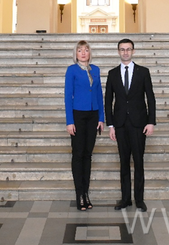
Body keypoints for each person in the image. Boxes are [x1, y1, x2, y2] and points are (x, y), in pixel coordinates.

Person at [105, 38, 156, 212]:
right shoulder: (112, 73)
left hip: (139, 124)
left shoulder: (143, 72)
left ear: (133, 51)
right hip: (120, 124)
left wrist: (151, 122)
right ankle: (125, 199)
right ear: (118, 51)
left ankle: (139, 199)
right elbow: (108, 101)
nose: (125, 52)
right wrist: (111, 125)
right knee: (124, 162)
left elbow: (150, 98)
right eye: (122, 49)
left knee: (139, 162)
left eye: (128, 49)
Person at [64, 40, 105, 211]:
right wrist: (70, 121)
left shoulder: (95, 69)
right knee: (78, 154)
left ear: (90, 53)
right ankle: (79, 194)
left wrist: (101, 118)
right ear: (76, 53)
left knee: (88, 155)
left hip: (93, 115)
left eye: (86, 50)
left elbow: (99, 94)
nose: (83, 53)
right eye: (80, 50)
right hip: (78, 115)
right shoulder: (71, 70)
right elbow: (68, 96)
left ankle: (86, 193)